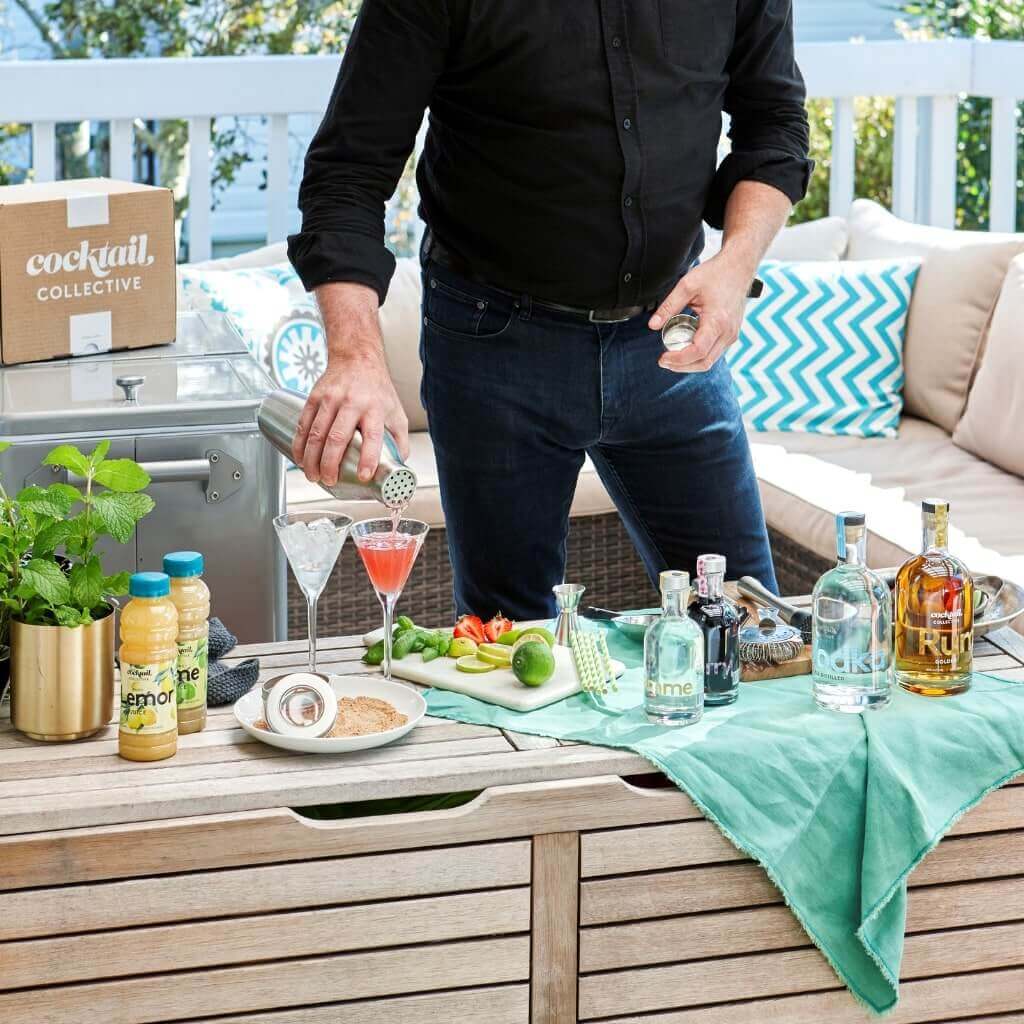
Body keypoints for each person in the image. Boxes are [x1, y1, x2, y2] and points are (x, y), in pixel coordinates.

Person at [288, 0, 812, 620]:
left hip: (669, 346)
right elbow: (347, 175)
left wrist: (735, 265)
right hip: (495, 345)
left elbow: (775, 124)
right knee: (511, 645)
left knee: (752, 625)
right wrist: (356, 356)